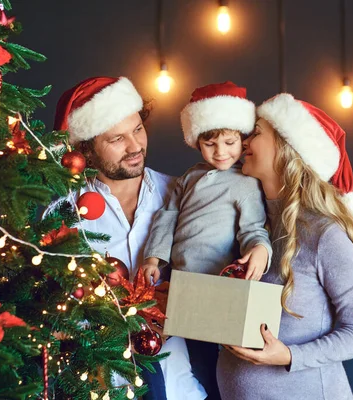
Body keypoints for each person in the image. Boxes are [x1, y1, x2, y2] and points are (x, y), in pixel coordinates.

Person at [217, 94, 353, 399]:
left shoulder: (325, 234)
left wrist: (289, 356)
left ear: (288, 150)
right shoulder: (248, 227)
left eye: (256, 133)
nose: (244, 141)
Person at [51, 76, 206, 400]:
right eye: (117, 138)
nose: (135, 146)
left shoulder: (180, 193)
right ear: (86, 149)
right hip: (103, 388)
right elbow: (53, 312)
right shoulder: (62, 214)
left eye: (137, 129)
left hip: (185, 388)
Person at [140, 82, 273, 400]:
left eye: (229, 142)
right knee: (175, 356)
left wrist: (259, 249)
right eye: (210, 144)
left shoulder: (245, 183)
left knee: (216, 364)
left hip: (216, 285)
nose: (221, 152)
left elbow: (254, 228)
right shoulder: (188, 178)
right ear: (196, 142)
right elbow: (167, 217)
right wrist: (153, 258)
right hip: (178, 282)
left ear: (242, 139)